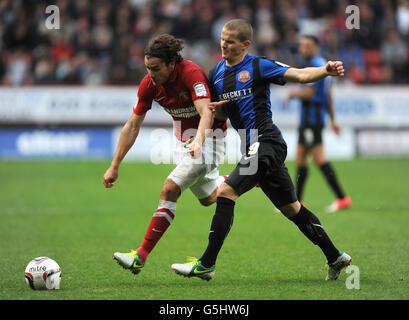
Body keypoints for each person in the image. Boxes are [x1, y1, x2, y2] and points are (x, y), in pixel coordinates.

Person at [171, 19, 351, 281]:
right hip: (251, 146)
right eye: (222, 38)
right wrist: (211, 115)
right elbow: (221, 110)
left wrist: (325, 70)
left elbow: (299, 75)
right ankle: (336, 257)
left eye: (230, 41)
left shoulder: (258, 66)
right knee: (293, 209)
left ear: (245, 45)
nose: (223, 44)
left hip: (267, 142)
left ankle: (206, 264)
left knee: (226, 191)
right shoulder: (217, 72)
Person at [103, 34, 227, 275]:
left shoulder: (191, 74)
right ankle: (245, 180)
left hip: (210, 140)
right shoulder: (149, 84)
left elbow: (206, 113)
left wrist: (199, 141)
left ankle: (140, 255)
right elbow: (132, 125)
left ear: (172, 63)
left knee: (169, 188)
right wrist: (114, 165)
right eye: (147, 68)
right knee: (209, 198)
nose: (151, 74)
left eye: (156, 69)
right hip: (184, 142)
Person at [285, 35, 352, 213]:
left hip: (311, 120)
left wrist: (292, 94)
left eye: (307, 46)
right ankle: (297, 201)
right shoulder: (324, 65)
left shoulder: (316, 65)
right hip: (312, 120)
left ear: (316, 47)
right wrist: (333, 120)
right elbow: (328, 95)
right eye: (301, 46)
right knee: (300, 158)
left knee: (319, 158)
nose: (303, 49)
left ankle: (342, 198)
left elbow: (309, 93)